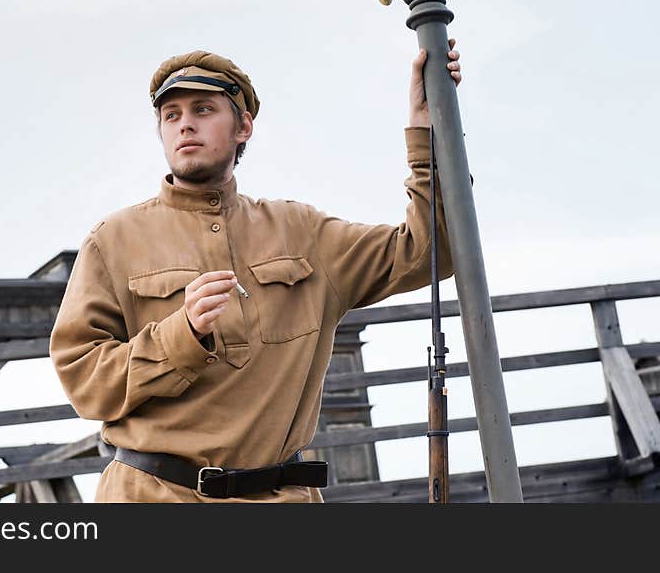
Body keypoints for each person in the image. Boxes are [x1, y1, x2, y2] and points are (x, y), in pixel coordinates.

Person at [49, 44, 463, 502]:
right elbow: (85, 383)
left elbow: (433, 249)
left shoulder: (302, 232)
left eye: (203, 109)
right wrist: (181, 336)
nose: (185, 123)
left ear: (243, 126)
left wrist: (428, 132)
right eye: (171, 115)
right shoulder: (112, 241)